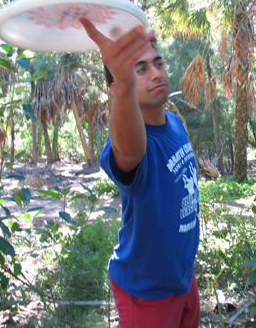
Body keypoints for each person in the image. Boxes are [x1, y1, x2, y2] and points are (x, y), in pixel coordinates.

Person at [79, 18, 200, 328]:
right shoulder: (129, 145)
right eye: (140, 69)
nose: (156, 73)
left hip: (183, 277)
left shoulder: (173, 122)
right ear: (120, 85)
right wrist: (123, 86)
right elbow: (130, 152)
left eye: (157, 64)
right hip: (147, 292)